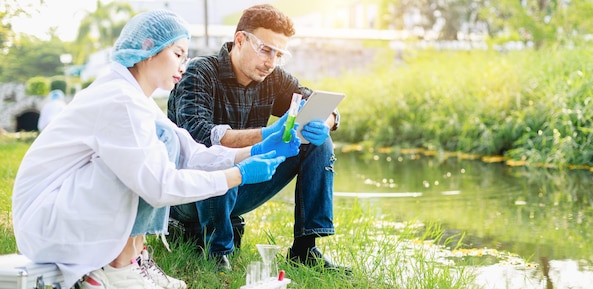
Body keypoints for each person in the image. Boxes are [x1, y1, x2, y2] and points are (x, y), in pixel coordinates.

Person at [12, 9, 300, 289]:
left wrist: (257, 148)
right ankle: (118, 268)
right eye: (177, 54)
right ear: (149, 48)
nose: (183, 66)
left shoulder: (135, 98)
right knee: (148, 155)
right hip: (48, 224)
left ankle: (133, 258)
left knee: (167, 141)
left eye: (186, 57)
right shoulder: (119, 101)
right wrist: (238, 175)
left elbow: (192, 153)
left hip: (61, 209)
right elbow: (159, 185)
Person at [167, 4, 349, 273]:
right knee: (219, 159)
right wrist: (266, 136)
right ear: (240, 40)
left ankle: (305, 249)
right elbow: (199, 137)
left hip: (242, 182)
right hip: (189, 193)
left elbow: (319, 104)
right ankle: (217, 254)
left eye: (279, 54)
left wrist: (327, 120)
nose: (271, 62)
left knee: (318, 142)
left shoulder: (273, 78)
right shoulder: (199, 73)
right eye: (265, 50)